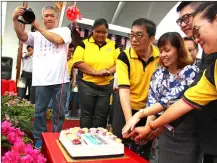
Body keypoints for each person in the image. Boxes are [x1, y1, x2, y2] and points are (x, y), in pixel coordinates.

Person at [125, 2, 217, 162]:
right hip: (169, 130)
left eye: (196, 28)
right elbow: (186, 101)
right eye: (160, 51)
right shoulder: (211, 68)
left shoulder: (192, 70)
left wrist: (143, 119)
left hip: (189, 134)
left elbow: (171, 101)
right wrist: (150, 126)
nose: (195, 38)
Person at [123, 32, 201, 163]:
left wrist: (138, 116)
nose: (163, 54)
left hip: (186, 132)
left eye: (167, 50)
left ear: (179, 50)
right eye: (160, 50)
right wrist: (147, 132)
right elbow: (152, 102)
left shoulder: (191, 72)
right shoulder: (158, 73)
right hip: (163, 129)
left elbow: (167, 102)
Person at [13, 5, 71, 149]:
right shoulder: (36, 35)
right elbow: (22, 35)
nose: (49, 18)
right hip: (41, 81)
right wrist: (15, 19)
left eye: (52, 15)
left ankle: (56, 139)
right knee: (39, 112)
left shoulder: (64, 31)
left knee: (59, 113)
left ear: (57, 18)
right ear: (42, 17)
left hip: (60, 81)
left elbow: (58, 40)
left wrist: (37, 26)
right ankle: (39, 140)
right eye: (46, 16)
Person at [113, 18, 159, 159]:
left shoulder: (160, 58)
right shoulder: (124, 56)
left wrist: (149, 122)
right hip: (125, 105)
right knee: (121, 143)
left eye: (139, 35)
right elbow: (124, 89)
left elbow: (157, 93)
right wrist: (129, 122)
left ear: (151, 39)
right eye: (131, 35)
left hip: (148, 109)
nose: (133, 40)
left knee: (143, 144)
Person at [72, 18, 120, 128]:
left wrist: (108, 71)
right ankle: (84, 138)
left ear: (107, 32)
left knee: (101, 115)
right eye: (98, 31)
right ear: (92, 30)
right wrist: (94, 72)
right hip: (87, 85)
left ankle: (99, 140)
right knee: (86, 114)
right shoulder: (83, 44)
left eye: (104, 32)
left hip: (106, 86)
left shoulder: (114, 46)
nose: (101, 34)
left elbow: (119, 64)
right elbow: (78, 62)